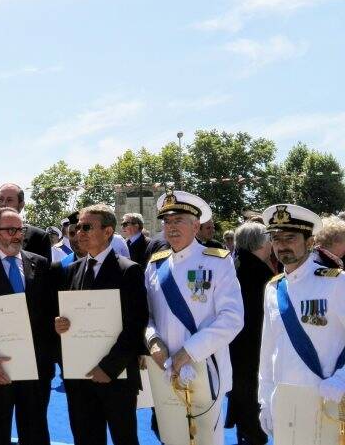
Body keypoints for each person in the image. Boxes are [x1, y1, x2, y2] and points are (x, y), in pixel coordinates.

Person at [145, 190, 244, 445]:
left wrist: (188, 351)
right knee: (172, 437)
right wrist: (153, 341)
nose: (171, 227)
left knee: (206, 440)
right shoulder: (155, 265)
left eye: (178, 220)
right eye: (167, 221)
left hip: (206, 366)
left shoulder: (218, 262)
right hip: (165, 368)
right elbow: (147, 316)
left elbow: (232, 318)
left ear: (196, 224)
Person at [54, 204, 148, 445]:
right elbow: (67, 317)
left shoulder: (129, 271)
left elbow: (136, 324)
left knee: (124, 438)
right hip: (79, 377)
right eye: (76, 228)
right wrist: (60, 324)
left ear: (108, 232)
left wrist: (108, 368)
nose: (79, 233)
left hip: (116, 376)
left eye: (87, 227)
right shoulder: (72, 271)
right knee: (85, 438)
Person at [0, 207, 54, 445]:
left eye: (20, 229)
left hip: (35, 367)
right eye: (10, 230)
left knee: (35, 430)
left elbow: (49, 311)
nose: (17, 235)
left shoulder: (40, 264)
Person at [258, 204, 345, 439]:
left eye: (290, 237)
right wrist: (265, 400)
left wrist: (341, 379)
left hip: (326, 397)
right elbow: (268, 350)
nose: (282, 245)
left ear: (309, 242)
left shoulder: (336, 283)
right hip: (284, 399)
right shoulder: (273, 288)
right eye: (276, 239)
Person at [225, 222, 273, 445]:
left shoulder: (233, 265)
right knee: (253, 410)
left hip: (234, 350)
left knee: (243, 404)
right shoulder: (260, 274)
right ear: (261, 243)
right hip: (254, 352)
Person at [0, 183, 51, 261]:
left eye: (9, 200)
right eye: (0, 199)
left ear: (21, 205)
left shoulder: (39, 238)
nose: (3, 204)